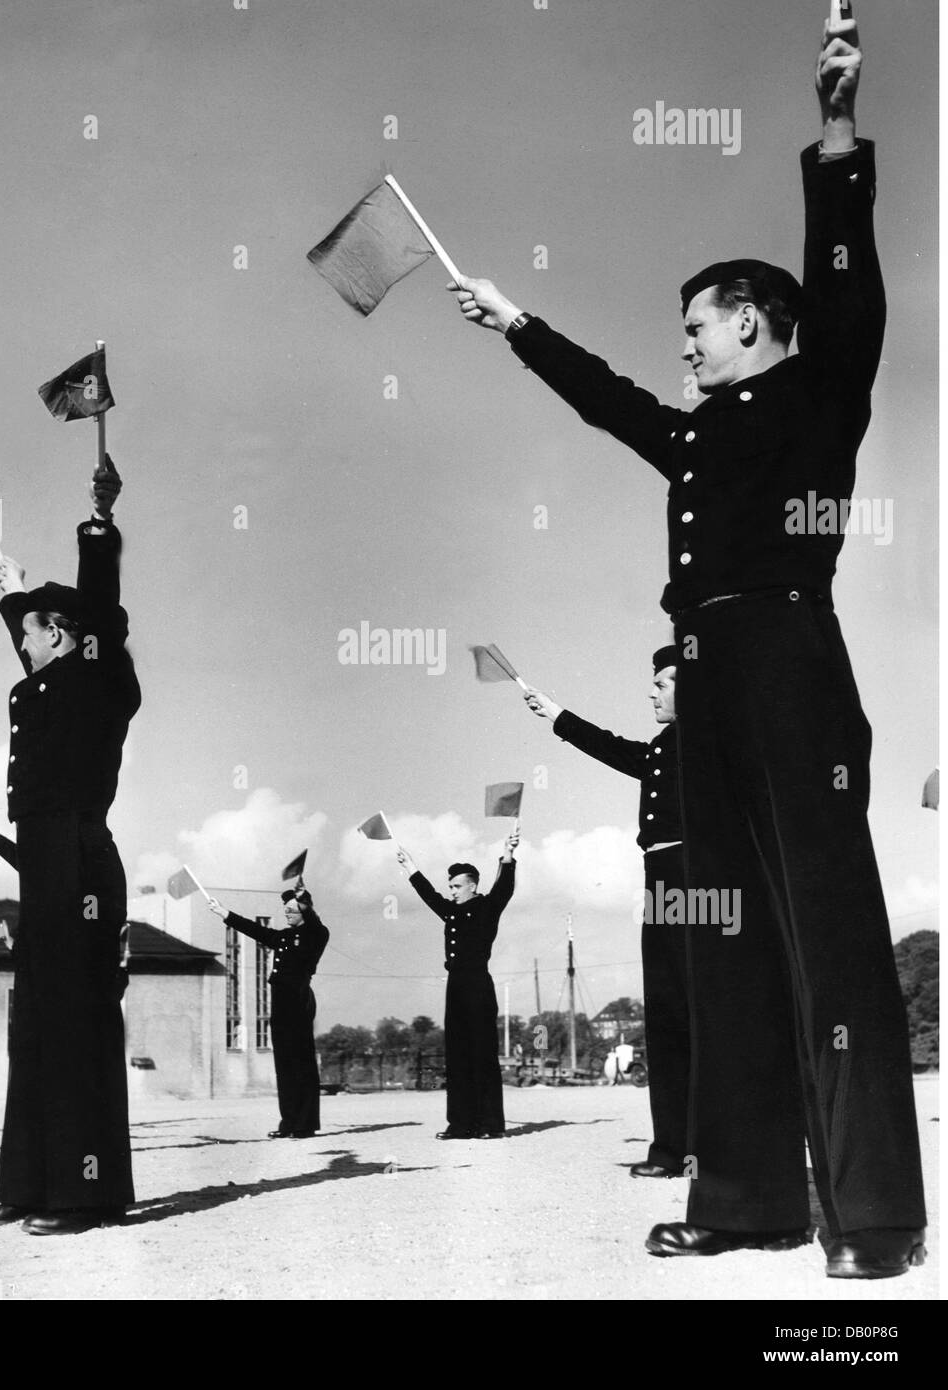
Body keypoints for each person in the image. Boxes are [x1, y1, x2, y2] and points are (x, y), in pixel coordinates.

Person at [445, 13, 925, 1278]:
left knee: (824, 930)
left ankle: (870, 1215)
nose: (686, 341)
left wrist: (833, 138)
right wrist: (513, 322)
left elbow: (843, 286)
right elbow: (613, 402)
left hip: (789, 663)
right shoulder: (700, 433)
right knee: (723, 944)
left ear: (758, 324)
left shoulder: (819, 393)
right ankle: (746, 1199)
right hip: (705, 682)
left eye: (700, 323)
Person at [0, 457, 141, 1237]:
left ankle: (85, 1192)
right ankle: (31, 1186)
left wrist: (97, 530)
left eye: (32, 630)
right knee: (34, 1022)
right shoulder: (42, 682)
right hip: (42, 862)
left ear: (64, 636)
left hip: (78, 860)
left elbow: (97, 616)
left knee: (75, 1021)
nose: (21, 641)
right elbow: (29, 625)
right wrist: (11, 587)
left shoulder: (99, 679)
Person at [524, 646, 688, 1177]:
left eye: (664, 682)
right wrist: (556, 715)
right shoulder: (665, 747)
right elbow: (618, 751)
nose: (651, 691)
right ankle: (673, 1147)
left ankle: (713, 1147)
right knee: (667, 1016)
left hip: (703, 879)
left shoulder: (715, 742)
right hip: (660, 881)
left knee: (706, 1014)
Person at [395, 828, 518, 1139]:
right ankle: (461, 1124)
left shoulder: (488, 907)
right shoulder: (450, 911)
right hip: (456, 986)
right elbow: (429, 896)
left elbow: (504, 888)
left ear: (473, 886)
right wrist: (410, 867)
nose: (451, 891)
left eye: (457, 886)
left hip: (478, 984)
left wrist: (507, 856)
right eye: (450, 886)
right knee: (458, 1055)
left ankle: (490, 1124)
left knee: (482, 1055)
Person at [204, 881, 330, 1138]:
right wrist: (224, 913)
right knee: (283, 1063)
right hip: (280, 1001)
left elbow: (314, 925)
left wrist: (302, 896)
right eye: (286, 911)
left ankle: (305, 1124)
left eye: (292, 911)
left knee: (302, 1062)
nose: (288, 914)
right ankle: (289, 1122)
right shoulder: (282, 936)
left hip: (299, 999)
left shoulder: (316, 933)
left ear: (305, 911)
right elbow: (254, 930)